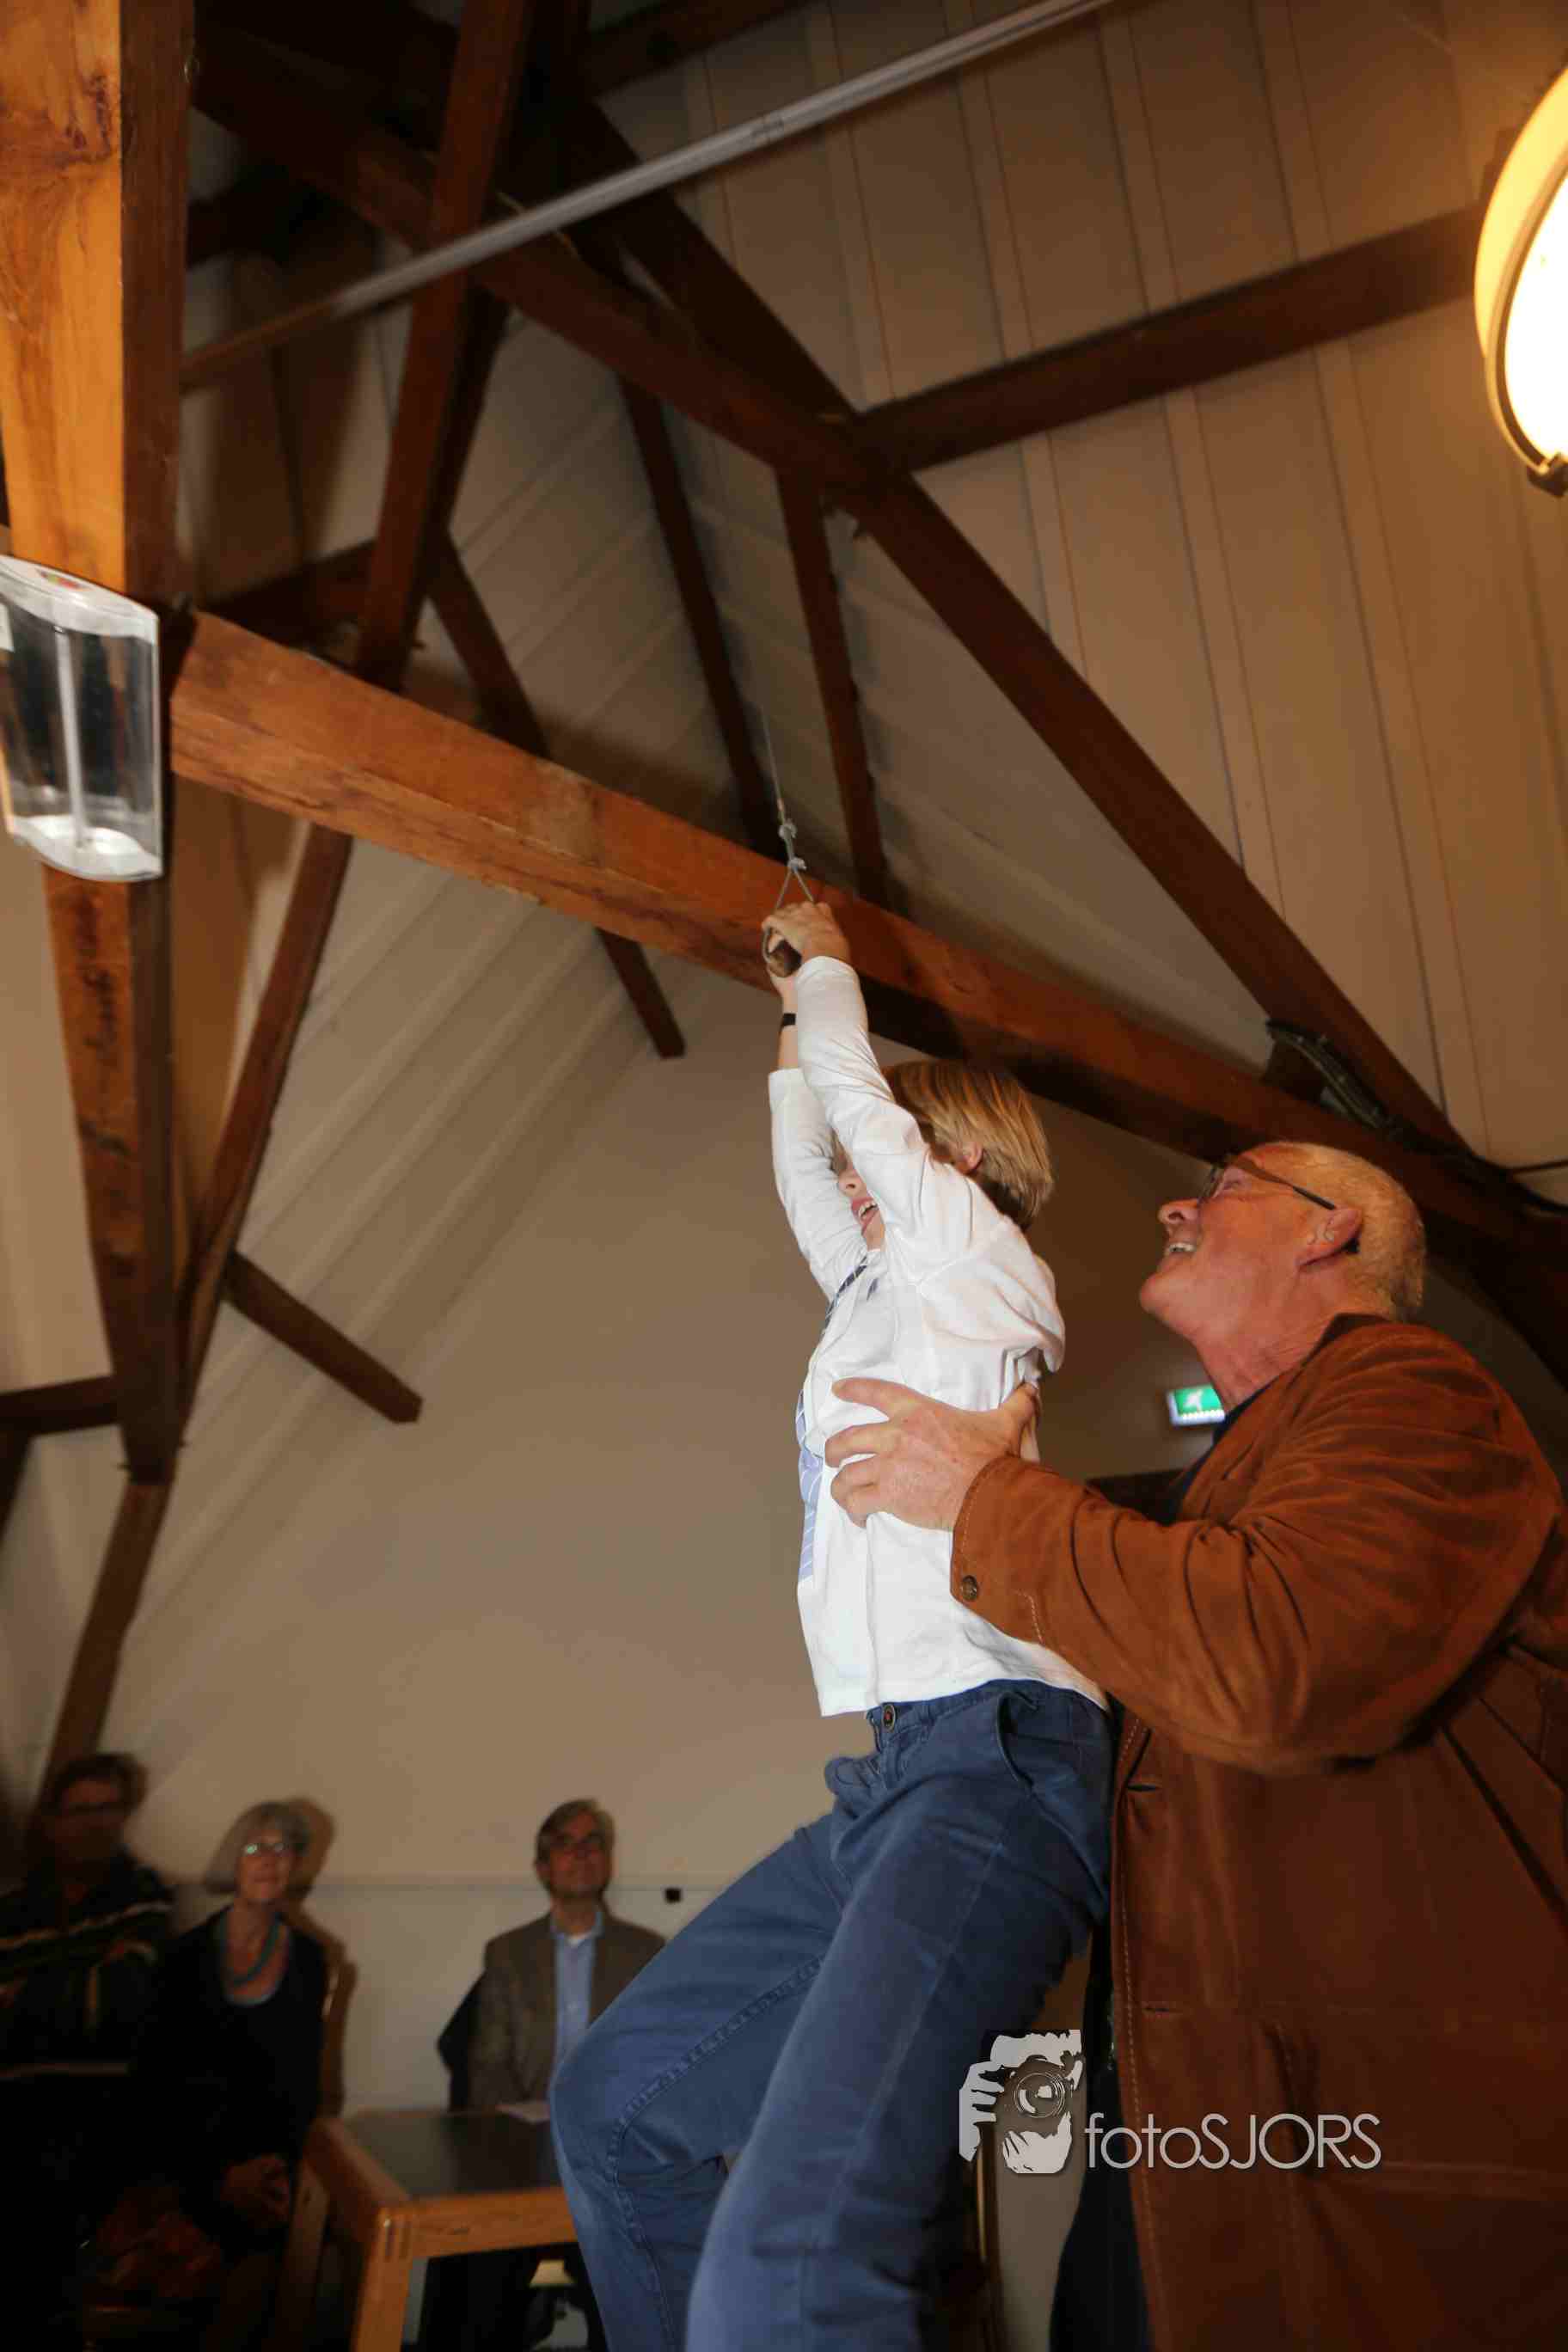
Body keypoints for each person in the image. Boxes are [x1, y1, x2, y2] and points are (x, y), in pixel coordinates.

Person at [822, 1141, 1568, 2352]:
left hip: (1378, 2193)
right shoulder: (1236, 1477)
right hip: (1204, 2148)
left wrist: (986, 1499)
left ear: (1329, 1231)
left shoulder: (1419, 1391)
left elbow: (1275, 1663)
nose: (1177, 1202)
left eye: (1225, 1184)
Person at [552, 903, 1113, 2349]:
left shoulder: (976, 1257)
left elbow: (858, 1123)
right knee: (613, 2108)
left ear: (960, 1160)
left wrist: (830, 971)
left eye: (896, 1156)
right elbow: (811, 1155)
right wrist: (790, 1025)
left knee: (795, 2262)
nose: (862, 1179)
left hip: (999, 1762)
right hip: (895, 1775)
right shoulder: (878, 1290)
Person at [436, 1801, 663, 2352]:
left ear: (607, 1860)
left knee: (633, 2296)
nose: (581, 1853)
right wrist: (520, 2140)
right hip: (520, 2150)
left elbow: (651, 2063)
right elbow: (487, 2067)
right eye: (566, 1843)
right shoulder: (507, 1954)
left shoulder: (647, 1952)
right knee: (482, 2296)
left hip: (610, 2155)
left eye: (593, 1842)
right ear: (542, 1867)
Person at [125, 1801, 328, 2349]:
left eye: (282, 1848)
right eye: (255, 1847)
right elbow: (154, 2084)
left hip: (264, 2165)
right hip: (184, 2158)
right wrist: (215, 2174)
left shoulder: (310, 1960)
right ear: (233, 1860)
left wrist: (272, 2168)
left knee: (269, 2245)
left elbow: (302, 2088)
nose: (269, 1860)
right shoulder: (182, 1956)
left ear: (297, 1864)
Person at [0, 1751, 172, 2340]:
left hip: (106, 2113)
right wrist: (75, 1992)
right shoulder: (12, 1911)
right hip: (16, 2111)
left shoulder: (143, 1896)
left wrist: (19, 1996)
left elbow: (122, 2001)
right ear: (52, 1823)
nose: (96, 1823)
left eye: (108, 1808)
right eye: (81, 1811)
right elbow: (89, 2001)